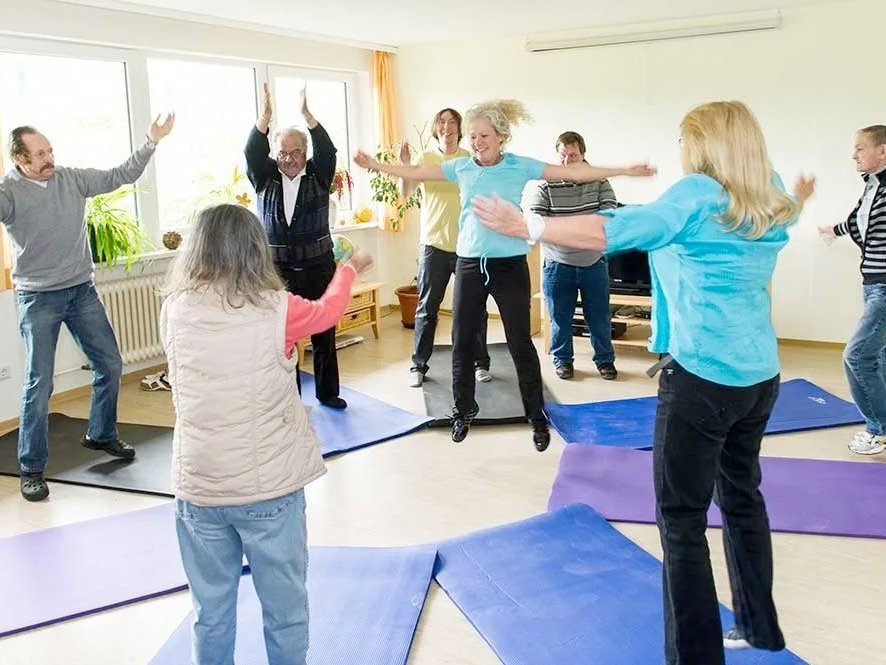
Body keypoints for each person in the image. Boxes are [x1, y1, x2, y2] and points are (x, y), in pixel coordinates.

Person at [472, 100, 814, 665]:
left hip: (703, 377)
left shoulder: (698, 194)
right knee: (742, 500)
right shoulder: (770, 193)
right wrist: (803, 194)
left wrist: (529, 224)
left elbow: (618, 228)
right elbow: (793, 212)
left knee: (681, 521)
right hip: (759, 376)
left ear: (703, 145)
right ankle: (761, 628)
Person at [355, 99, 653, 451]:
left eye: (483, 135)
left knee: (519, 343)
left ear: (501, 137)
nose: (476, 141)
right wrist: (375, 164)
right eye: (473, 135)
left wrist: (624, 170)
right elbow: (417, 174)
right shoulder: (461, 167)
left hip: (510, 265)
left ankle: (536, 415)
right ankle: (463, 409)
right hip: (469, 264)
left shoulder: (519, 166)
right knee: (462, 343)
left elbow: (573, 173)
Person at [160, 203, 372, 665]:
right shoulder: (276, 309)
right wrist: (350, 267)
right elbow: (328, 311)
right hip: (266, 491)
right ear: (256, 249)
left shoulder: (175, 307)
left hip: (198, 489)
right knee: (285, 612)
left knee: (210, 613)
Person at [0, 115, 175, 502]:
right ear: (19, 159)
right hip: (38, 297)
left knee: (110, 364)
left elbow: (120, 175)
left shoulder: (70, 178)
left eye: (50, 150)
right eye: (40, 153)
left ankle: (101, 434)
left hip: (81, 291)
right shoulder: (8, 192)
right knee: (38, 384)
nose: (49, 158)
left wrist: (151, 141)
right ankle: (31, 468)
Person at [245, 82, 347, 409]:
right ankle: (289, 397)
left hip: (318, 267)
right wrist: (265, 117)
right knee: (281, 336)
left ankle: (328, 393)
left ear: (305, 153)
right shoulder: (265, 178)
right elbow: (251, 152)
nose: (289, 159)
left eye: (296, 152)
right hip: (277, 271)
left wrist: (308, 116)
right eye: (283, 152)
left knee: (323, 333)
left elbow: (328, 150)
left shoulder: (318, 175)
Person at [399, 107, 491, 388]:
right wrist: (405, 167)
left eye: (452, 122)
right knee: (427, 308)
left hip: (467, 246)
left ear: (459, 129)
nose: (447, 127)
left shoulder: (468, 158)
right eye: (442, 122)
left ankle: (480, 363)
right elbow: (405, 192)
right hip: (433, 244)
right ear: (436, 128)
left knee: (475, 308)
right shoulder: (425, 158)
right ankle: (418, 365)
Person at [530, 131, 618, 381]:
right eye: (563, 156)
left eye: (573, 155)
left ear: (583, 155)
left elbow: (609, 214)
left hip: (593, 263)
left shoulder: (599, 181)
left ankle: (605, 361)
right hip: (558, 264)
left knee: (599, 318)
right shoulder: (545, 184)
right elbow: (537, 220)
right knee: (559, 318)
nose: (568, 161)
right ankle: (563, 361)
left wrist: (565, 228)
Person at [819, 124, 886, 455]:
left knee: (857, 356)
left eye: (860, 148)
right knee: (880, 356)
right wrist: (834, 229)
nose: (854, 154)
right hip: (872, 283)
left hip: (885, 287)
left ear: (882, 151)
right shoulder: (873, 186)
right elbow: (859, 220)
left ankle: (878, 429)